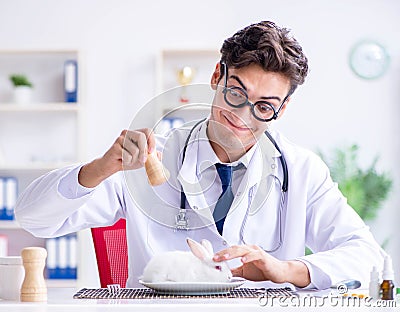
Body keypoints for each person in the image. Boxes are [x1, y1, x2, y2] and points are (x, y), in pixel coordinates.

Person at [15, 21, 385, 290]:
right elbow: (34, 219)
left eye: (264, 107)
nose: (242, 116)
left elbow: (368, 256)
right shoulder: (151, 160)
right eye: (237, 94)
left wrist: (285, 269)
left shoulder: (300, 170)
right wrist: (98, 170)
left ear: (282, 110)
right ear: (216, 77)